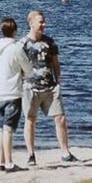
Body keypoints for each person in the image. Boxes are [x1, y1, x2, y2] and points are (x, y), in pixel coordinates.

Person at [19, 9, 77, 166]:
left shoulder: (50, 42)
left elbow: (56, 64)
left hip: (50, 87)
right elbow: (18, 68)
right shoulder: (22, 44)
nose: (44, 25)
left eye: (44, 22)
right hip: (30, 88)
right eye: (40, 22)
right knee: (30, 119)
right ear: (31, 23)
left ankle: (65, 152)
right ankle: (31, 155)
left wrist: (58, 81)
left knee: (60, 118)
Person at [0, 17, 26, 173]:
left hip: (0, 92)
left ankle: (1, 161)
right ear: (14, 31)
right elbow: (28, 68)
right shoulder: (16, 48)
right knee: (8, 129)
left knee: (1, 129)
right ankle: (9, 163)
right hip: (13, 92)